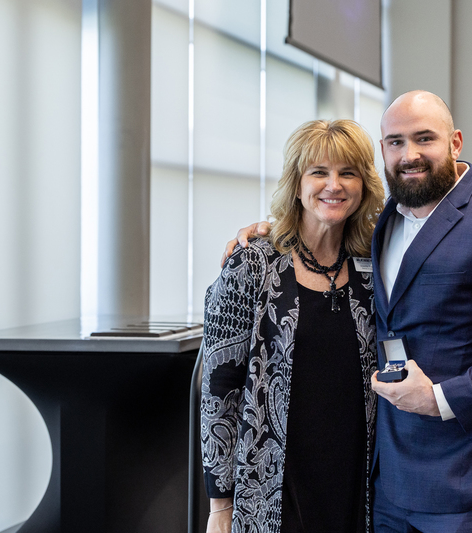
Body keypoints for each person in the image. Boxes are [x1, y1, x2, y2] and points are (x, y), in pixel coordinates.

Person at [227, 90, 472, 532]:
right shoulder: (382, 224)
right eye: (396, 142)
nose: (410, 155)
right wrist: (274, 230)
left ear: (456, 142)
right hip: (385, 486)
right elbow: (322, 227)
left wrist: (440, 399)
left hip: (468, 485)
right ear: (383, 150)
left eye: (424, 139)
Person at [201, 119, 385, 533]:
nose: (333, 185)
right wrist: (219, 505)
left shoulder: (375, 268)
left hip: (357, 484)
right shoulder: (252, 263)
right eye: (318, 172)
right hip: (271, 485)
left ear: (364, 185)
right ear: (297, 184)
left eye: (347, 172)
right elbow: (218, 389)